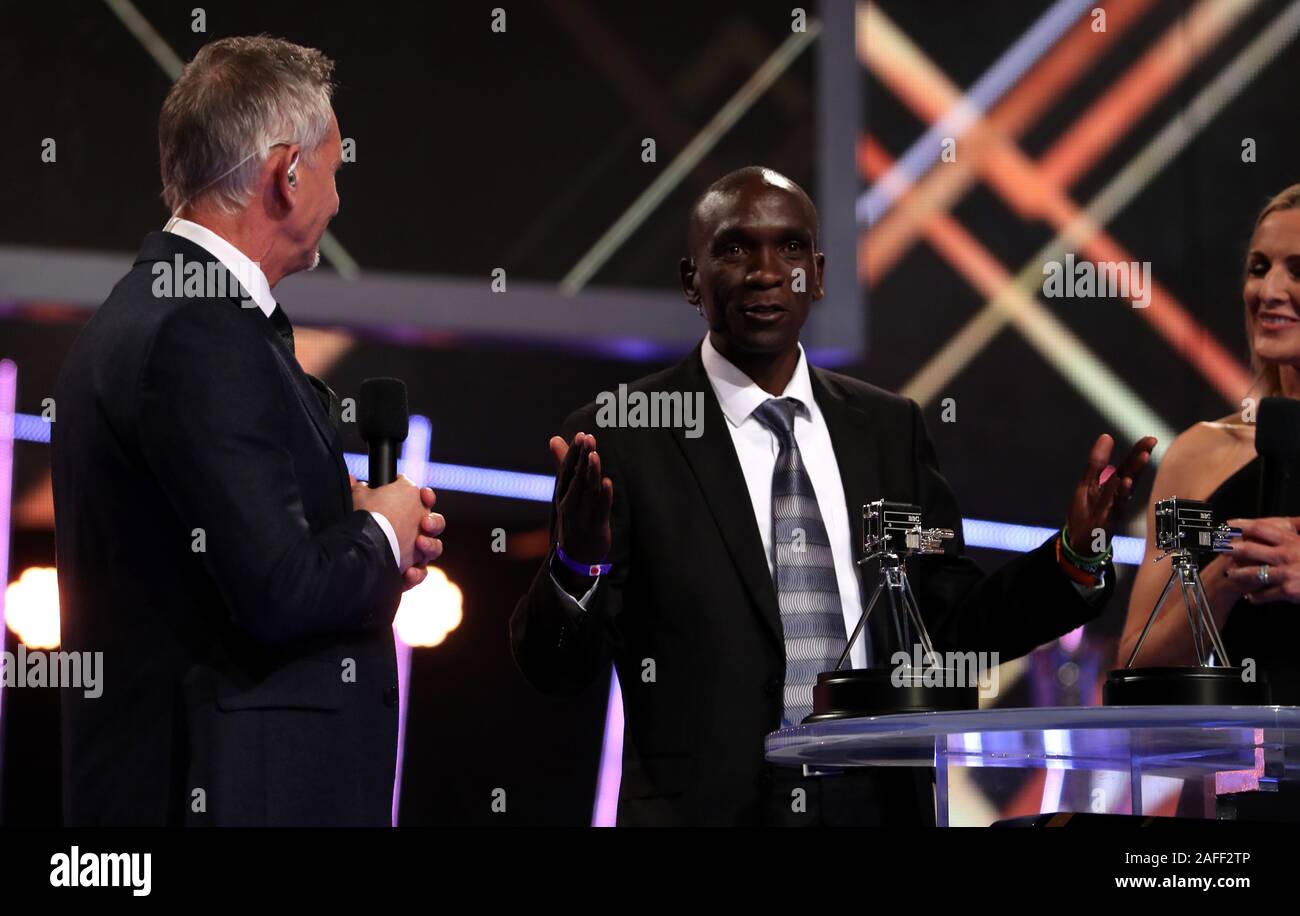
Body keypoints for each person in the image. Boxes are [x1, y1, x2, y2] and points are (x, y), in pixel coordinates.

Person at [511, 166, 1156, 826]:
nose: (766, 271)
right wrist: (576, 567)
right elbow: (556, 669)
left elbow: (954, 628)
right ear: (690, 281)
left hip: (877, 807)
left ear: (817, 275)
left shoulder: (887, 428)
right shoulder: (621, 436)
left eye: (789, 248)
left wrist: (1072, 559)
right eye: (735, 248)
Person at [51, 36, 444, 826]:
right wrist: (378, 531)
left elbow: (232, 560)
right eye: (335, 169)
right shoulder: (200, 330)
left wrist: (352, 526)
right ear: (287, 173)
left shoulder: (156, 312)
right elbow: (277, 590)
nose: (337, 198)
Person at [1120, 184, 1300, 702]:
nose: (1268, 291)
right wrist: (1224, 577)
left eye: (1298, 270)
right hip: (1232, 770)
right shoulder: (1201, 455)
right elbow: (1137, 670)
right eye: (1259, 267)